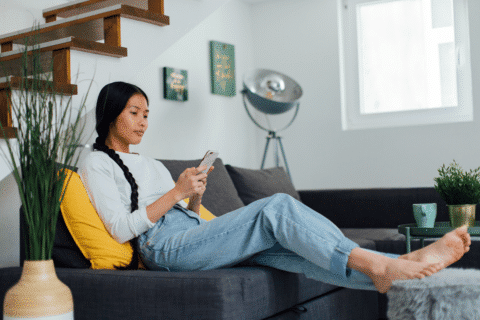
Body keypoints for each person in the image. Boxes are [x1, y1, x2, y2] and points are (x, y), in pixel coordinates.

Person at [80, 81, 471, 294]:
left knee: (292, 248)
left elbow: (187, 218)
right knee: (277, 207)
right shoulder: (95, 162)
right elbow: (120, 228)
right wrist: (176, 193)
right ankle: (384, 264)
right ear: (110, 111)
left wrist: (193, 196)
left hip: (190, 235)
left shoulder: (147, 162)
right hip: (161, 249)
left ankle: (399, 272)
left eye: (147, 114)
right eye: (134, 112)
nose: (144, 122)